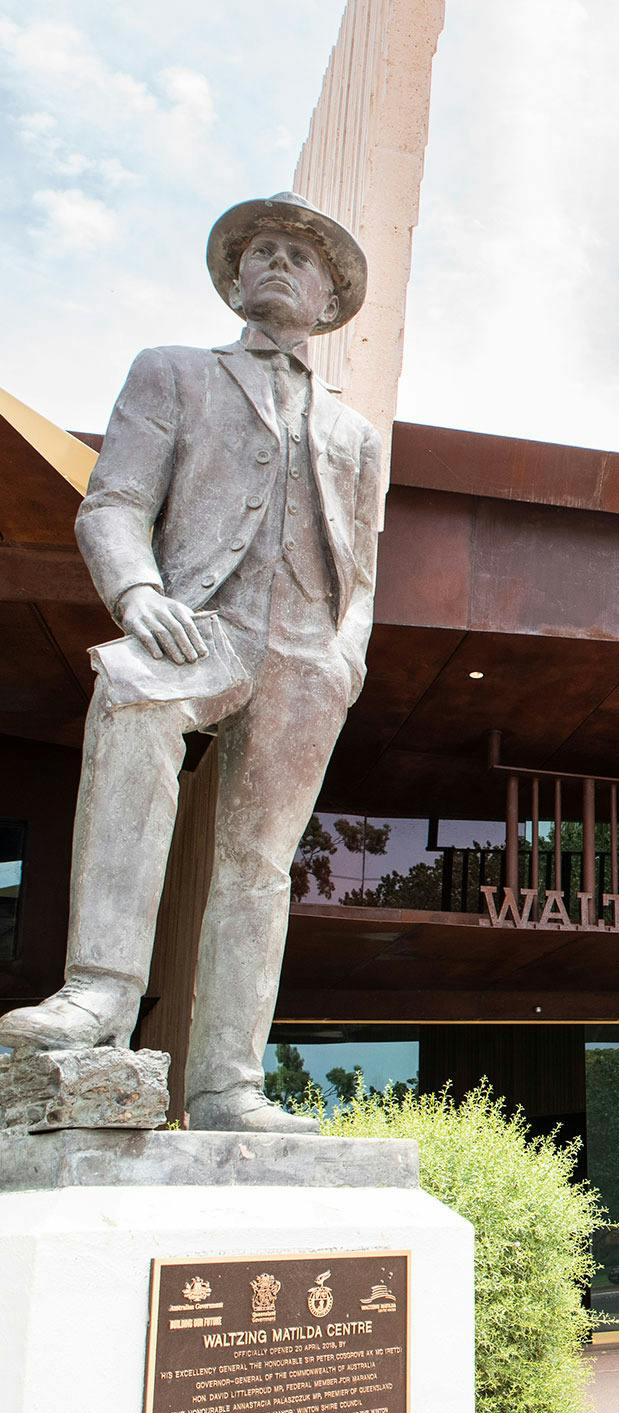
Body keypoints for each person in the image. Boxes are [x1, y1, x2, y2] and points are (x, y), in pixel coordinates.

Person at [0, 192, 382, 1133]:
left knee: (260, 864)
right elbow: (114, 502)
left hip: (308, 652)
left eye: (300, 255)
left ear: (331, 297)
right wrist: (137, 594)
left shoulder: (356, 434)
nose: (278, 263)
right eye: (261, 251)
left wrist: (346, 658)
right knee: (131, 701)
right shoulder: (172, 372)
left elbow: (364, 572)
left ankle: (229, 1086)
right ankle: (99, 989)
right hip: (200, 621)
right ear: (234, 282)